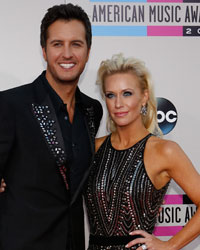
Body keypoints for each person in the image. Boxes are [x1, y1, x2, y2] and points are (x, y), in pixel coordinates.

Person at [0, 3, 102, 250]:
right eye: (57, 44)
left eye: (76, 44)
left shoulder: (92, 110)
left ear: (88, 51)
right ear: (44, 51)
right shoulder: (11, 104)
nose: (67, 54)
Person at [84, 54, 200, 250]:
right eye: (111, 95)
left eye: (127, 93)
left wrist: (170, 245)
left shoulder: (164, 151)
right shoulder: (94, 148)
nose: (118, 103)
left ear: (144, 97)